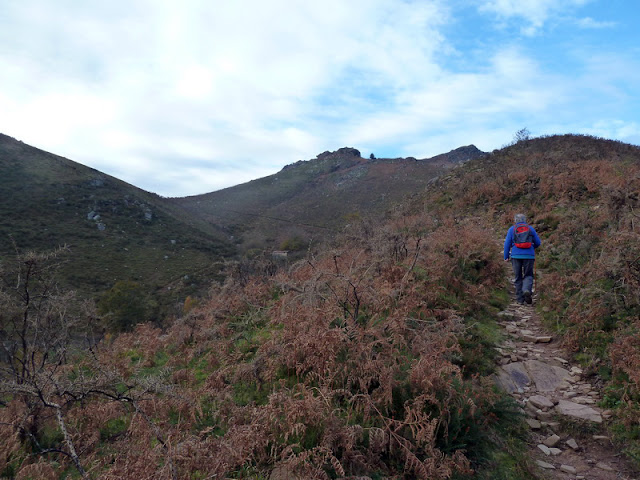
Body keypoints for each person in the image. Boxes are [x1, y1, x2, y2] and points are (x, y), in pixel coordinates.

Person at [504, 214, 541, 305]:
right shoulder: (530, 229)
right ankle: (526, 290)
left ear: (515, 220)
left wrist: (506, 256)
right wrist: (532, 248)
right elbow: (538, 242)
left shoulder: (512, 229)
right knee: (528, 275)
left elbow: (507, 244)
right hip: (529, 256)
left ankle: (520, 299)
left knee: (518, 277)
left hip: (516, 256)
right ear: (525, 220)